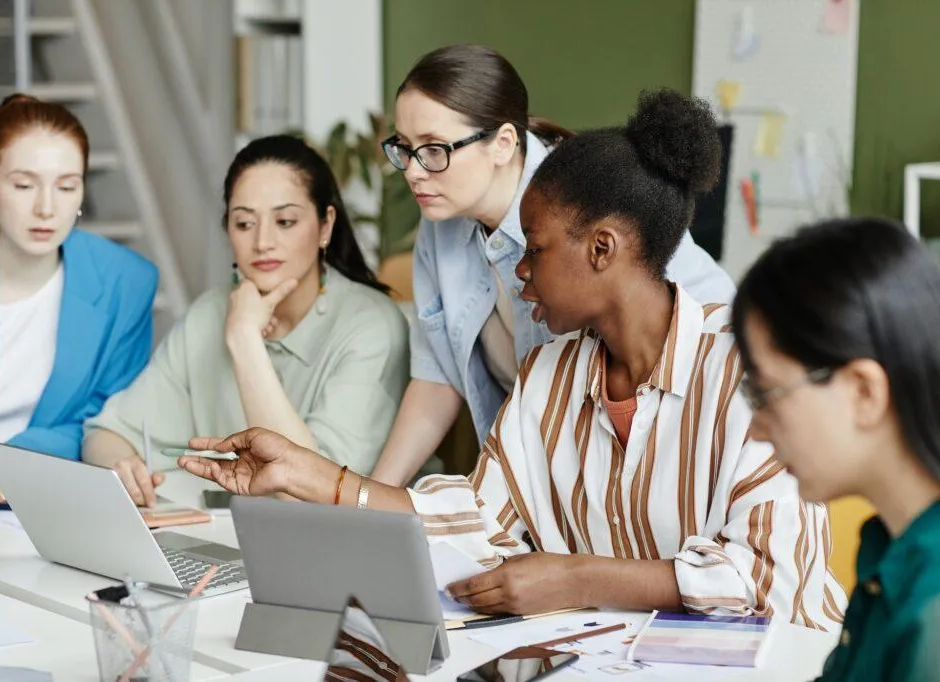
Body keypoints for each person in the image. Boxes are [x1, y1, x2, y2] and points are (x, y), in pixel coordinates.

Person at [178, 91, 843, 627]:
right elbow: (478, 517)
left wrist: (575, 578)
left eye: (535, 249)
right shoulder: (551, 373)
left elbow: (768, 579)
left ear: (602, 249)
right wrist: (311, 475)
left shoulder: (753, 369)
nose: (517, 271)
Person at [372, 44, 735, 486]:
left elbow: (708, 349)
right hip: (537, 470)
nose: (412, 171)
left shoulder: (587, 203)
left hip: (644, 458)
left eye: (433, 149)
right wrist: (369, 500)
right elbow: (437, 377)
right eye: (404, 148)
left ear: (503, 143)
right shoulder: (439, 222)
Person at [83, 135, 411, 506]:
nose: (262, 241)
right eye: (244, 224)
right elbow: (105, 434)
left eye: (285, 221)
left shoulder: (373, 328)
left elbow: (310, 498)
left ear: (325, 226)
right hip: (216, 531)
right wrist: (121, 469)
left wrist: (244, 339)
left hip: (337, 538)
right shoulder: (209, 312)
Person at [0, 94, 158, 526]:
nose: (47, 208)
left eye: (66, 186)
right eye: (24, 185)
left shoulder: (127, 283)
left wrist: (13, 462)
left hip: (61, 505)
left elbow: (109, 414)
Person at [731, 218, 940, 680]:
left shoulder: (932, 614)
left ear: (864, 392)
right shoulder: (891, 551)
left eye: (766, 395)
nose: (758, 430)